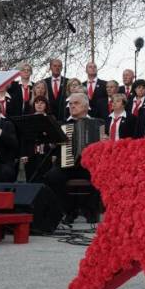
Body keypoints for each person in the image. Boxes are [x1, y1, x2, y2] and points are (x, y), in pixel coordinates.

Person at [43, 92, 103, 224]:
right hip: (67, 164)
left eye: (76, 103)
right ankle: (69, 210)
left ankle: (90, 210)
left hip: (89, 166)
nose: (72, 106)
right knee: (52, 176)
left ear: (86, 106)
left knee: (100, 174)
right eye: (70, 104)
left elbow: (104, 148)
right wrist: (54, 143)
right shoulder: (62, 124)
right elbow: (52, 146)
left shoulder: (98, 123)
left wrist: (105, 141)